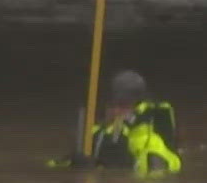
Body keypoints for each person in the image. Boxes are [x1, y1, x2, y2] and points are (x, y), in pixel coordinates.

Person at [49, 70, 183, 176]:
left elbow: (160, 174)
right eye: (112, 105)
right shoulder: (95, 133)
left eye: (123, 105)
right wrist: (73, 163)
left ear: (137, 107)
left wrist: (124, 167)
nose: (116, 111)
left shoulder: (147, 140)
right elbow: (53, 166)